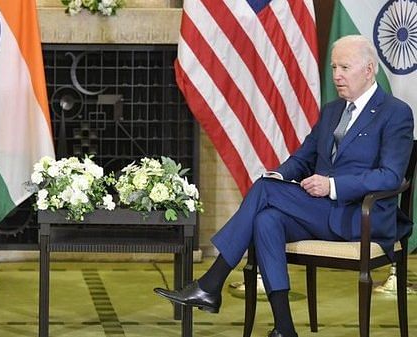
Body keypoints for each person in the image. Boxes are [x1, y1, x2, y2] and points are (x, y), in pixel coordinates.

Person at [154, 35, 414, 337]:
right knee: (267, 219)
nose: (336, 76)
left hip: (361, 218)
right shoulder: (332, 110)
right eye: (333, 68)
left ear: (369, 70)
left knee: (264, 191)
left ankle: (211, 283)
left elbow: (390, 177)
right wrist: (279, 174)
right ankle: (285, 328)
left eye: (345, 67)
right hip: (322, 212)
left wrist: (332, 185)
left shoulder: (395, 113)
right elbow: (303, 157)